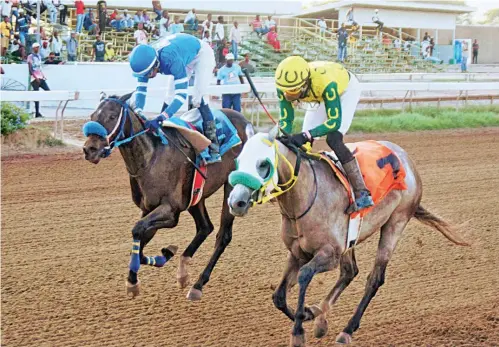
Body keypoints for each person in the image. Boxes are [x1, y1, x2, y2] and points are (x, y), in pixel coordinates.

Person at [274, 56, 374, 212]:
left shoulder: (326, 82)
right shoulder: (284, 85)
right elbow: (286, 118)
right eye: (288, 92)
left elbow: (334, 122)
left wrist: (306, 135)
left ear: (305, 82)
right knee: (302, 144)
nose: (291, 96)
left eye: (295, 92)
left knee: (334, 139)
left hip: (345, 90)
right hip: (318, 93)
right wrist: (284, 134)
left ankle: (362, 193)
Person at [128, 33, 220, 163]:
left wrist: (161, 117)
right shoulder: (146, 62)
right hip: (183, 53)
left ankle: (214, 148)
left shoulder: (170, 60)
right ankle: (162, 134)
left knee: (199, 99)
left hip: (201, 54)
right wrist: (138, 110)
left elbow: (181, 96)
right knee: (168, 96)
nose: (146, 77)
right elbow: (141, 91)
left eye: (148, 74)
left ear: (155, 65)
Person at [28, 42, 50, 118]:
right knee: (37, 95)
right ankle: (37, 112)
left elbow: (39, 68)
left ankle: (37, 112)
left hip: (40, 77)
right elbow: (30, 70)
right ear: (33, 48)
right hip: (35, 78)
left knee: (48, 91)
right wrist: (35, 77)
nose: (38, 49)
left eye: (38, 47)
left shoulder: (39, 56)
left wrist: (43, 76)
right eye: (36, 47)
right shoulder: (30, 57)